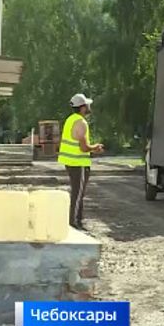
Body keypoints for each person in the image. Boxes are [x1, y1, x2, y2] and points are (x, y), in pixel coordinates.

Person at [58, 93, 104, 230]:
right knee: (78, 194)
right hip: (78, 163)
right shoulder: (81, 123)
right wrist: (95, 147)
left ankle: (76, 221)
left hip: (70, 162)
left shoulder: (70, 120)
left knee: (77, 192)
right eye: (87, 105)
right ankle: (74, 223)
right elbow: (84, 147)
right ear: (83, 107)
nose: (89, 107)